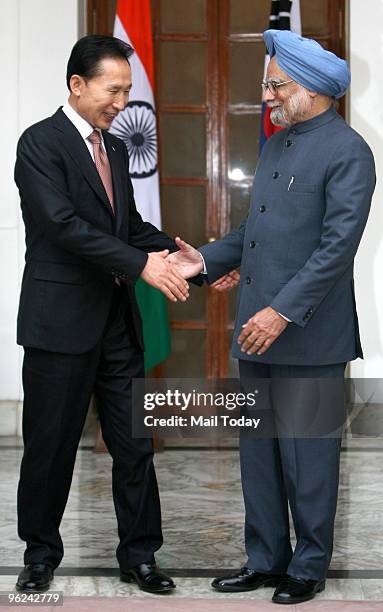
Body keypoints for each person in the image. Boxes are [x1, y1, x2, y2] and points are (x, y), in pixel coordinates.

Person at [168, 29, 376, 605]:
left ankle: (308, 566)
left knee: (308, 457)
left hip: (307, 335)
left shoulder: (349, 152)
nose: (267, 97)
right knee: (258, 457)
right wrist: (205, 260)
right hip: (254, 333)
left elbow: (336, 249)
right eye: (268, 85)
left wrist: (281, 312)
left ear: (310, 89)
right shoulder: (276, 147)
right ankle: (265, 559)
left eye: (275, 86)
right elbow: (253, 231)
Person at [14, 34, 192, 594]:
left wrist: (195, 259)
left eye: (127, 90)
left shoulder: (113, 147)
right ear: (78, 84)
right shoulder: (39, 143)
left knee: (135, 445)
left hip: (116, 323)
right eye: (113, 90)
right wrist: (141, 264)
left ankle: (140, 556)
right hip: (59, 323)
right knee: (51, 446)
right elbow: (60, 225)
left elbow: (127, 227)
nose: (122, 102)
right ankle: (40, 554)